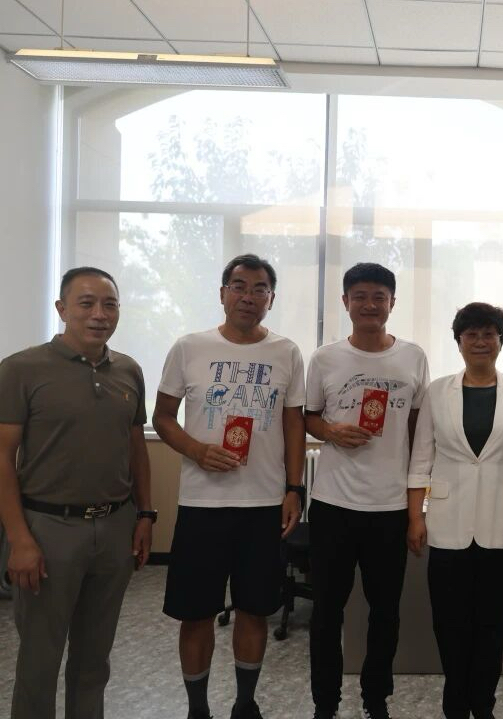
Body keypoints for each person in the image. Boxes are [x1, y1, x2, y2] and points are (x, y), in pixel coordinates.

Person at [153, 254, 306, 719]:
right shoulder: (189, 347)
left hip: (263, 504)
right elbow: (162, 417)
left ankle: (245, 702)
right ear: (222, 293)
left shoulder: (286, 352)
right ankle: (197, 708)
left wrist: (294, 488)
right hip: (203, 504)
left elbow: (294, 424)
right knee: (196, 612)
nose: (248, 296)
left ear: (271, 299)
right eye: (239, 286)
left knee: (255, 609)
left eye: (260, 289)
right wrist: (197, 450)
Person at [0, 267, 154, 719]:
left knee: (94, 661)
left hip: (114, 527)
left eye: (110, 305)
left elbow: (136, 448)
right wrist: (19, 539)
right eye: (86, 303)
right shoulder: (21, 369)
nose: (99, 314)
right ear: (62, 309)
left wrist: (146, 515)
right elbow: (2, 456)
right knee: (39, 661)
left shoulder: (128, 370)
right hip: (47, 529)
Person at [306, 262, 429, 719]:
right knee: (326, 612)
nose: (370, 305)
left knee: (385, 612)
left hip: (390, 506)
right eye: (360, 296)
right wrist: (331, 431)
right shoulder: (325, 358)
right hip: (333, 504)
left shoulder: (413, 357)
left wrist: (418, 505)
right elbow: (308, 417)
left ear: (392, 303)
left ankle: (376, 699)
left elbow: (418, 431)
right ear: (345, 302)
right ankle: (325, 702)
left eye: (379, 296)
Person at [407, 302, 503, 719]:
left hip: (502, 522)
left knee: (491, 622)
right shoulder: (437, 391)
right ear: (458, 341)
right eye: (471, 334)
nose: (480, 341)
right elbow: (421, 458)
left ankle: (483, 704)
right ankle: (455, 704)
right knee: (449, 622)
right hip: (447, 524)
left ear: (501, 340)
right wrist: (415, 517)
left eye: (489, 334)